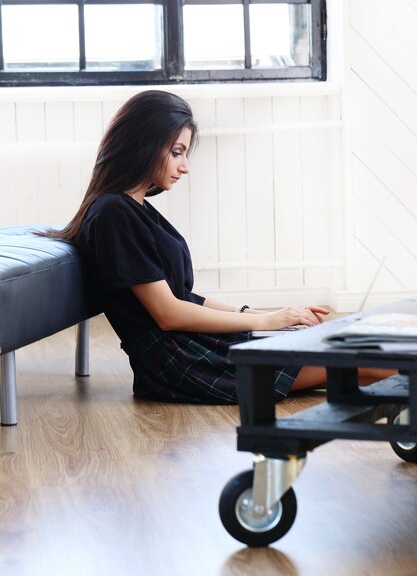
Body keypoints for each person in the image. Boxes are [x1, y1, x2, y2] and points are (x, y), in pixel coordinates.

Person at [38, 90, 393, 403]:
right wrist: (268, 321)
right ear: (143, 143)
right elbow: (168, 314)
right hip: (182, 361)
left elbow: (185, 297)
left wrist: (258, 316)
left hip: (192, 345)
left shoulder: (135, 209)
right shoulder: (114, 213)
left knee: (360, 360)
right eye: (177, 152)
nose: (185, 167)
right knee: (372, 366)